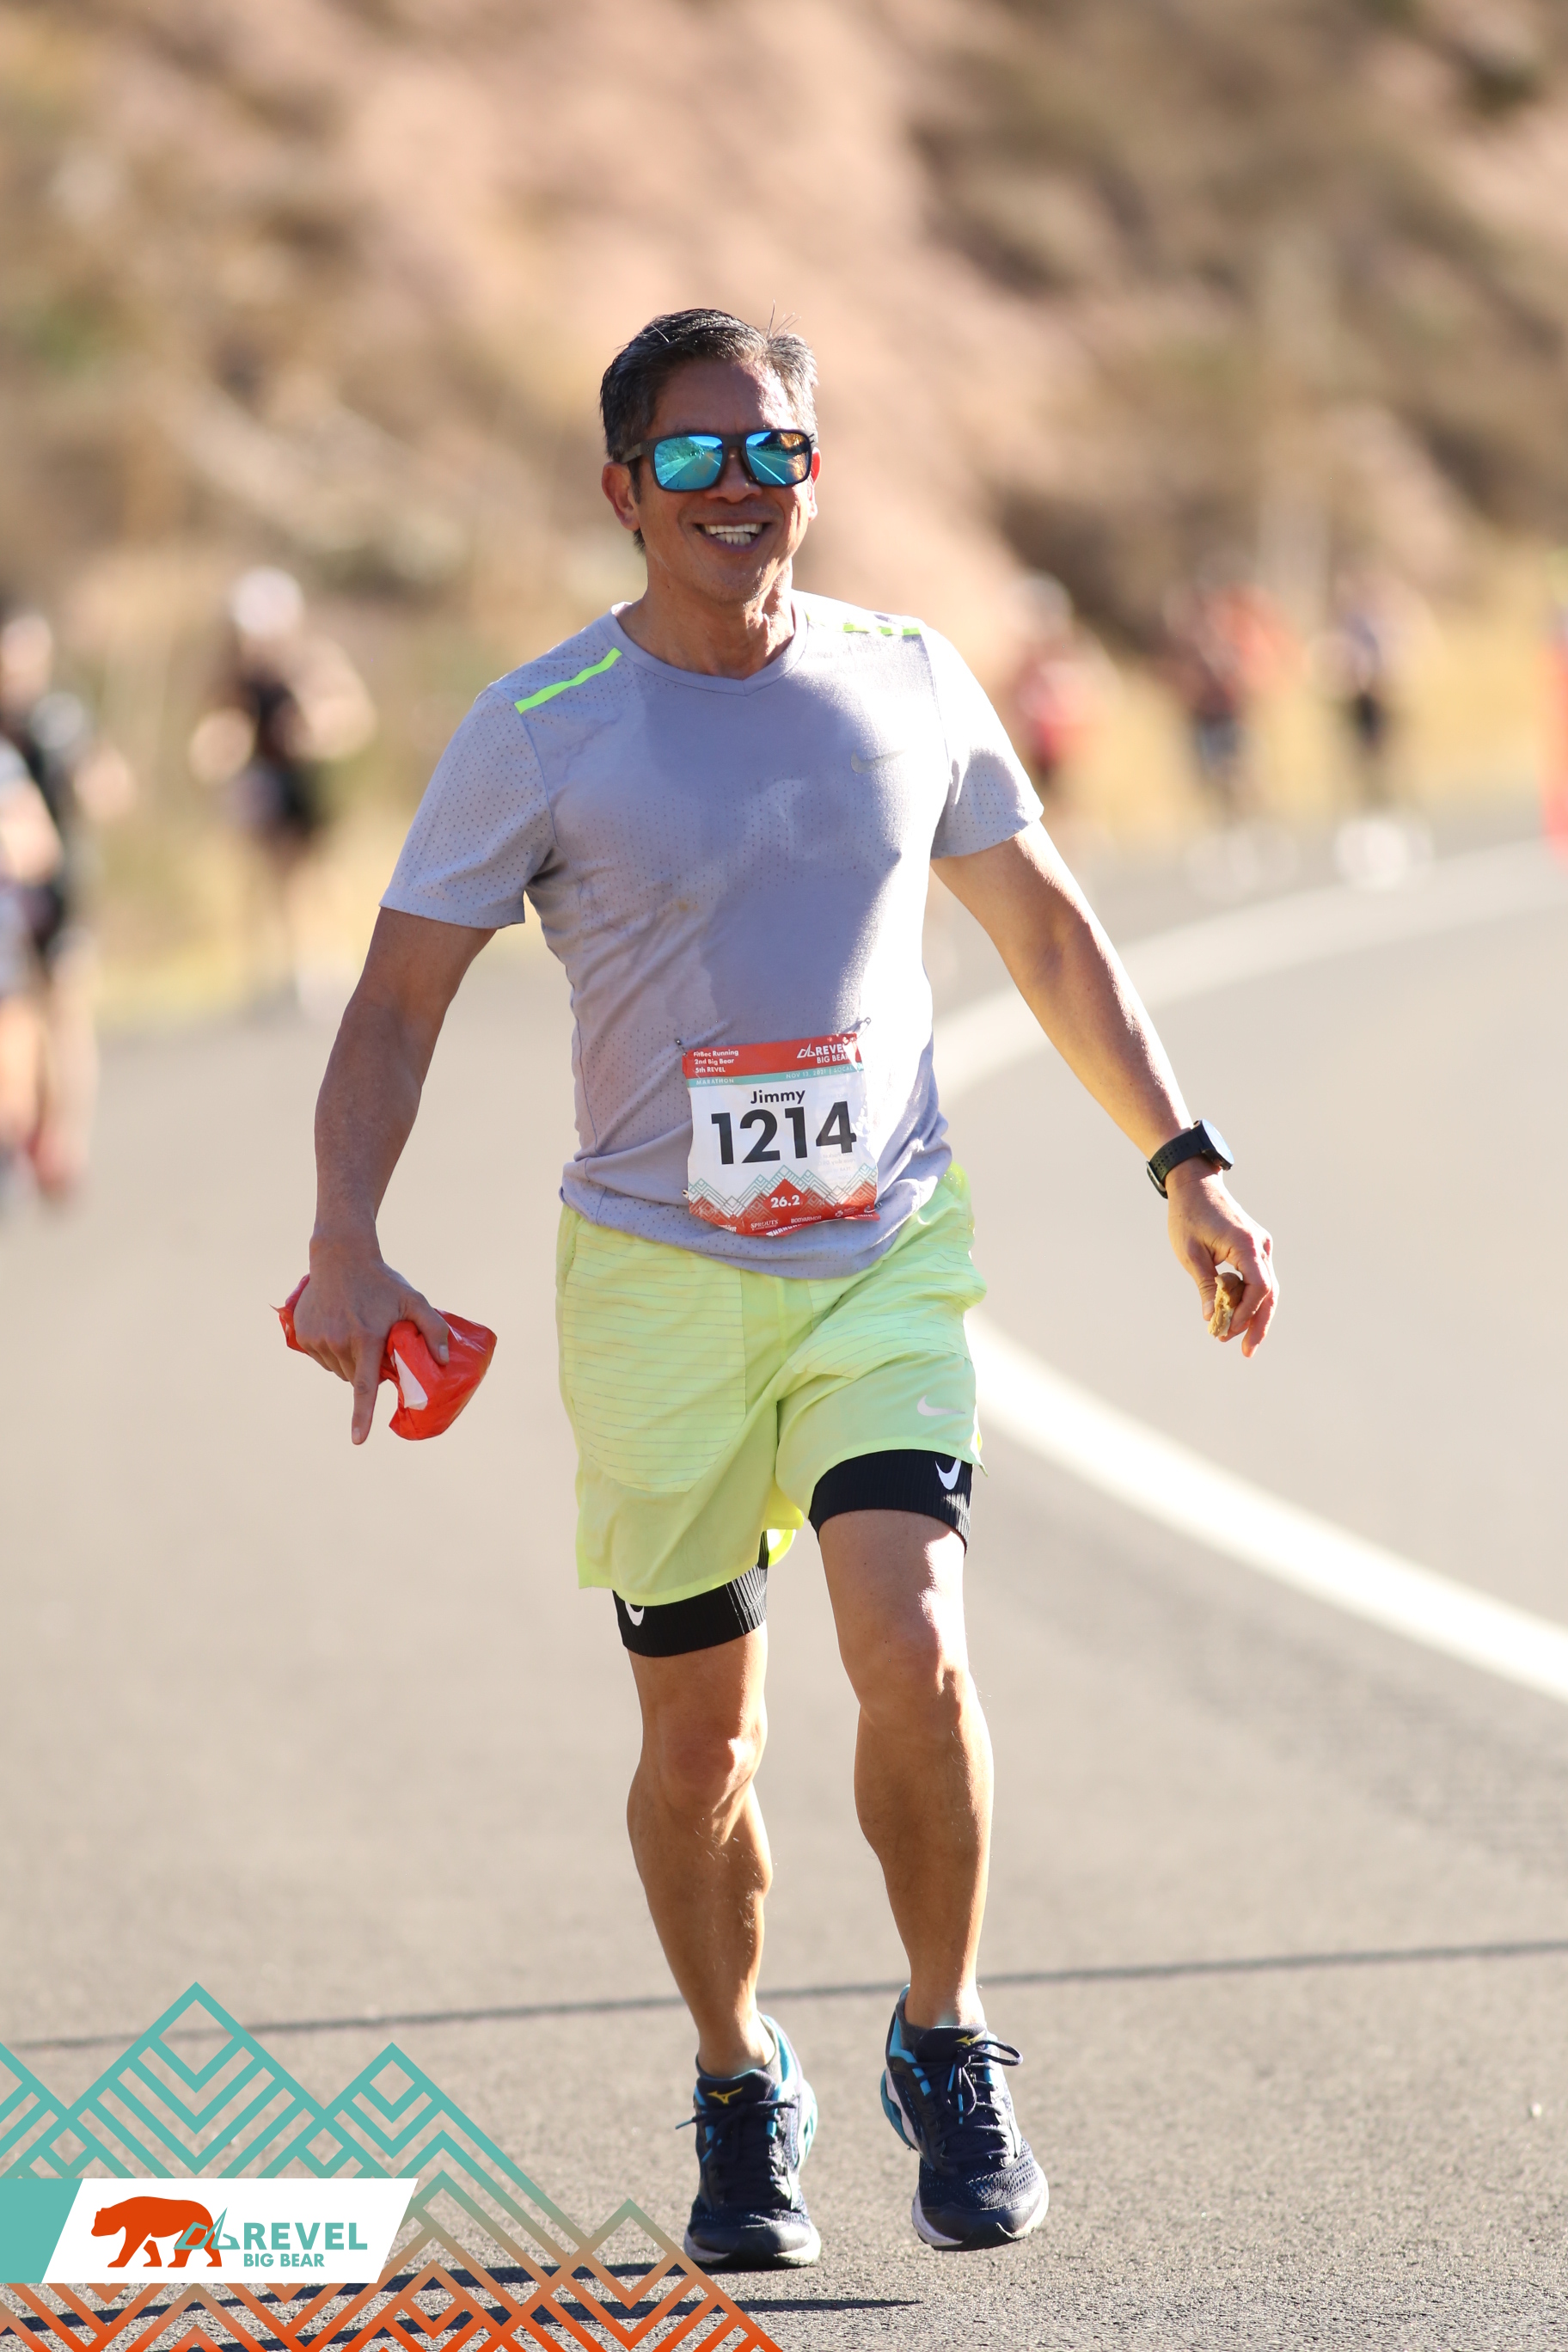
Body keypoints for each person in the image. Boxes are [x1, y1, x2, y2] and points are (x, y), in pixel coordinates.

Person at [291, 310, 1278, 2268]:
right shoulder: (544, 725)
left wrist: (1182, 1156)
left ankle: (945, 2032)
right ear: (622, 489)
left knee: (915, 1647)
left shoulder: (906, 680)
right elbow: (396, 1003)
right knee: (700, 1751)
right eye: (694, 456)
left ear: (813, 474)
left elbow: (1046, 932)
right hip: (654, 1286)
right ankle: (739, 2071)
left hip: (876, 1260)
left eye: (775, 451)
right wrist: (344, 1231)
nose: (738, 486)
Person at [188, 569, 375, 1006]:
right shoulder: (233, 675)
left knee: (315, 871)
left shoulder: (312, 663)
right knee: (264, 872)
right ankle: (270, 969)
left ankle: (325, 960)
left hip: (306, 779)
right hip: (261, 782)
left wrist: (321, 728)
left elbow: (355, 715)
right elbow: (215, 727)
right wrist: (218, 748)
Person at [0, 606, 134, 1197]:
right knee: (18, 1011)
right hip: (10, 889)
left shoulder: (61, 717)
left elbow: (109, 788)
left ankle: (65, 1139)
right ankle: (26, 1128)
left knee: (64, 1006)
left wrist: (89, 777)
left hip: (59, 884)